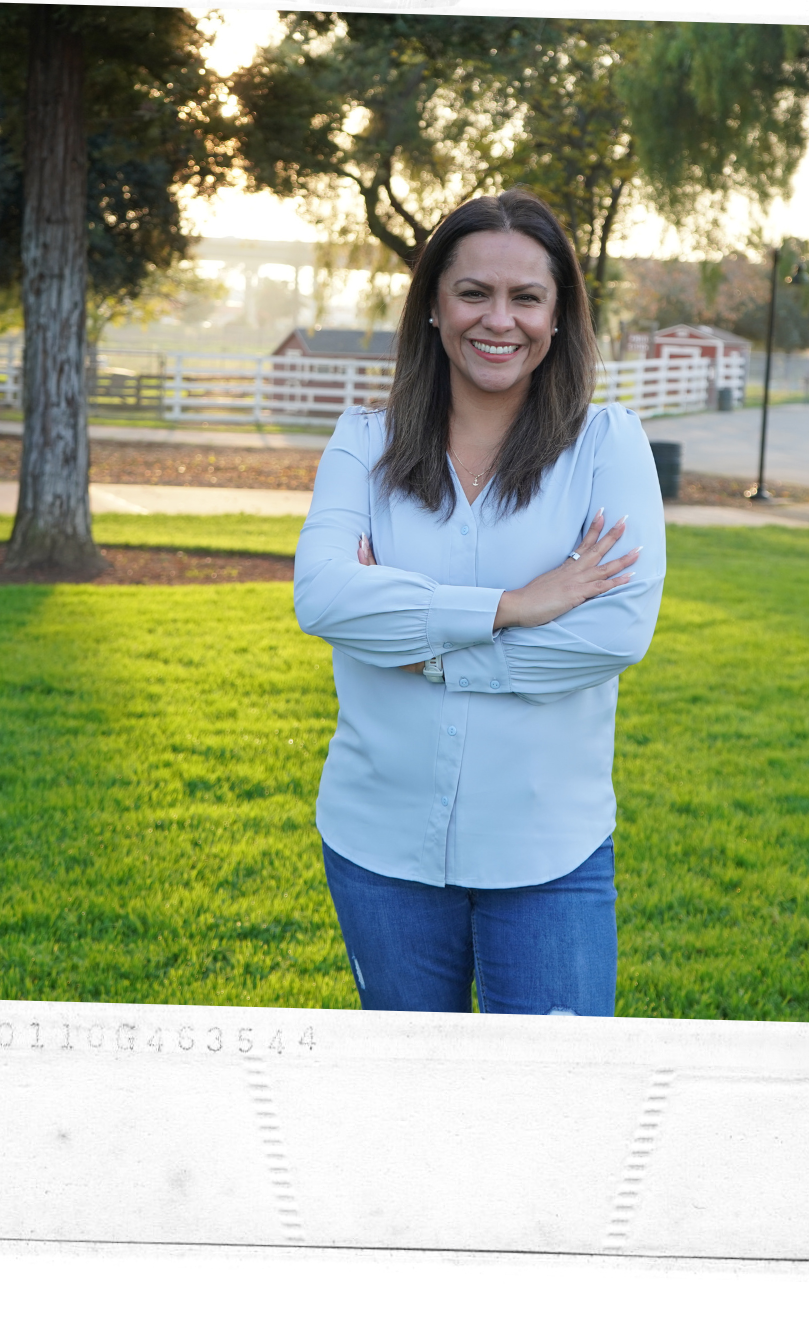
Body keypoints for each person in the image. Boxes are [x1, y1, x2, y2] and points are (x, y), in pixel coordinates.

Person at [293, 189, 666, 1017]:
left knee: (552, 1110)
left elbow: (613, 629)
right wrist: (513, 604)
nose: (499, 320)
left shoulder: (607, 447)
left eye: (526, 297)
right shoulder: (364, 441)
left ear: (559, 314)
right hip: (378, 842)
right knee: (408, 1105)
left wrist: (417, 647)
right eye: (474, 293)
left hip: (548, 850)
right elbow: (322, 596)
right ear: (434, 305)